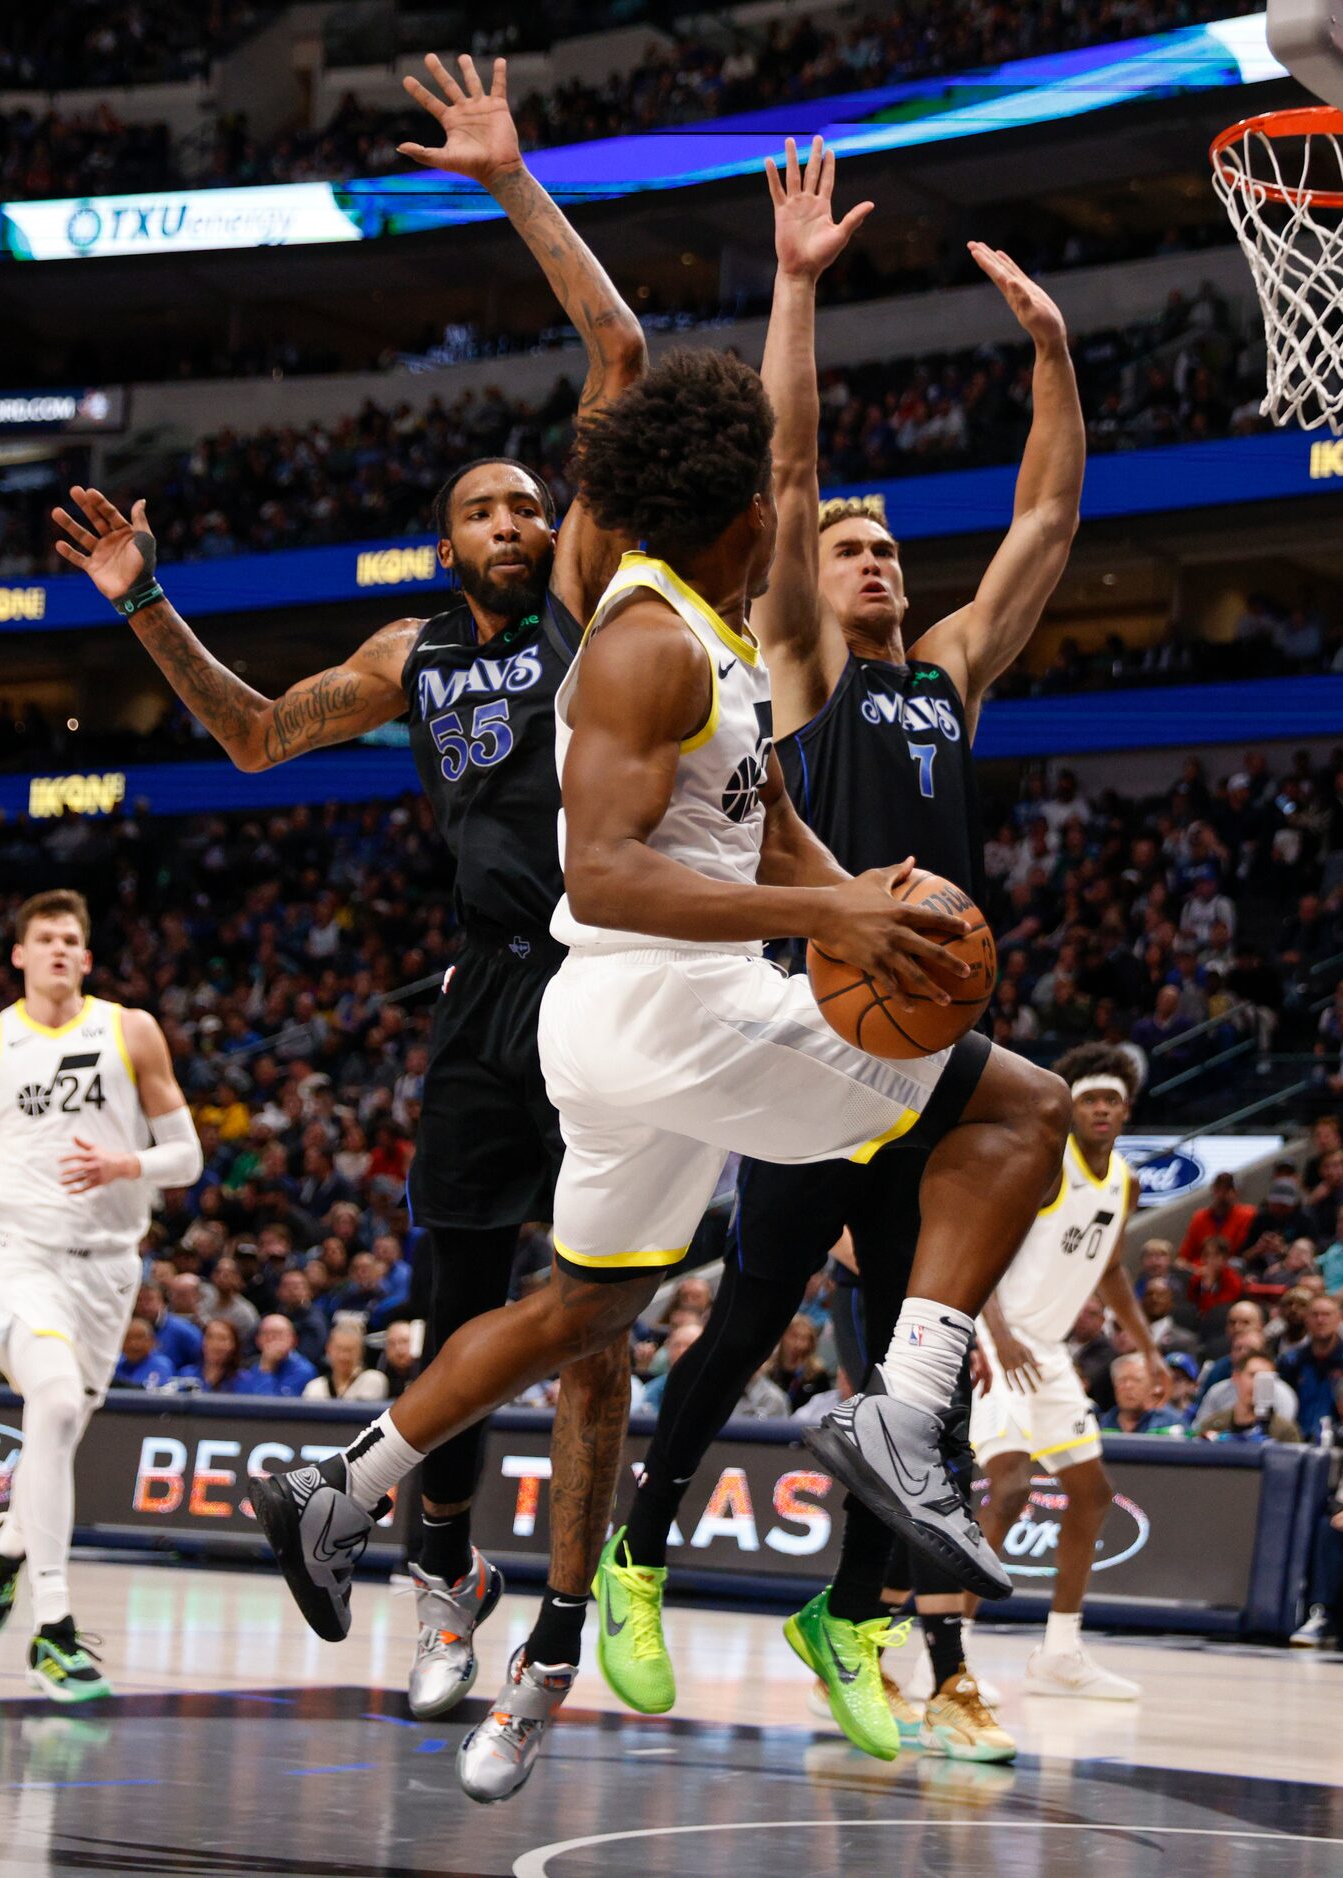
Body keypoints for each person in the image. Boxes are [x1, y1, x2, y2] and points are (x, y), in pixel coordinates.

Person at [246, 331, 1071, 1775]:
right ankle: (907, 1408)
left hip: (630, 1031)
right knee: (1022, 1109)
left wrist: (849, 889)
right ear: (745, 513)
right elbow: (610, 871)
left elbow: (752, 821)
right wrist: (827, 915)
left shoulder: (709, 633)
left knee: (579, 1306)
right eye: (772, 494)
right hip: (664, 1005)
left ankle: (339, 1486)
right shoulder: (647, 641)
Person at [53, 51, 643, 1790]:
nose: (517, 516)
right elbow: (247, 735)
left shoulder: (588, 595)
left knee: (592, 1317)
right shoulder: (409, 654)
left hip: (606, 982)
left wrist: (512, 180)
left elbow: (613, 358)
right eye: (485, 504)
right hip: (480, 1005)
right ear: (437, 537)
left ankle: (557, 1625)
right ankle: (443, 1581)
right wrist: (142, 599)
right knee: (462, 1320)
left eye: (529, 501)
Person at [588, 139, 1084, 1766]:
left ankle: (851, 1614)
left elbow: (1048, 515)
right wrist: (795, 287)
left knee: (911, 1384)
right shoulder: (795, 664)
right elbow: (790, 471)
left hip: (927, 1039)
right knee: (742, 1325)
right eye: (850, 547)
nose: (867, 558)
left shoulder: (943, 675)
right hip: (812, 1030)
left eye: (885, 549)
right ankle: (635, 1552)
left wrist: (1055, 353)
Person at [0, 888, 202, 1703]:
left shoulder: (130, 1029)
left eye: (71, 939)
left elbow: (190, 1157)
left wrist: (129, 1164)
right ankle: (53, 1631)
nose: (59, 950)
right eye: (44, 939)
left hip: (109, 1272)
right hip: (21, 1260)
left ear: (86, 959)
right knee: (54, 1406)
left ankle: (12, 1542)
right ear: (20, 956)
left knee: (58, 1434)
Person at [967, 1044, 1170, 1700]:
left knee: (1092, 1493)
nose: (1102, 1109)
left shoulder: (1125, 1183)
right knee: (1011, 1489)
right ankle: (952, 1656)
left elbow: (1109, 1270)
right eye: (1090, 1100)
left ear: (1126, 1109)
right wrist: (998, 1334)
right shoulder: (1045, 1165)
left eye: (1112, 1099)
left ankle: (1060, 1651)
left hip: (1047, 1349)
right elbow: (985, 1244)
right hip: (995, 1338)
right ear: (1072, 1107)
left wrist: (1147, 1349)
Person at [1194, 1351, 1303, 1443]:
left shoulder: (1285, 1431)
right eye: (1252, 1375)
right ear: (1236, 1377)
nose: (1258, 1384)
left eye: (1266, 1378)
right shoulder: (1213, 1424)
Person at [1277, 1294, 1343, 1439]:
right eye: (1315, 1315)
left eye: (1327, 1314)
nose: (1320, 1320)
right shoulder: (1291, 1361)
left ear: (1339, 1318)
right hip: (1296, 1439)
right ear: (1306, 1319)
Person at [1176, 1171, 1255, 1265]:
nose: (1223, 1194)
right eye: (1220, 1189)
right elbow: (1185, 1254)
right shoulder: (1200, 1218)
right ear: (1214, 1190)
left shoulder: (1247, 1215)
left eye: (1228, 1189)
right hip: (1200, 1269)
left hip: (1231, 1268)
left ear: (1236, 1192)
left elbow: (1242, 1251)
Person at [1098, 1353, 1185, 1435]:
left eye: (1137, 1380)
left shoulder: (1172, 1424)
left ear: (1153, 1386)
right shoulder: (1099, 1425)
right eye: (1122, 1380)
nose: (1128, 1386)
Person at [304, 1319, 389, 1403]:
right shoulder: (315, 1387)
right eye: (339, 1349)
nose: (344, 1356)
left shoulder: (373, 1380)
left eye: (350, 1350)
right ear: (329, 1349)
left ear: (361, 1352)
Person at [236, 1316, 318, 1398]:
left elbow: (272, 1408)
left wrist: (266, 1368)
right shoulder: (248, 1368)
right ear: (257, 1340)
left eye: (278, 1334)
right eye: (266, 1333)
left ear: (293, 1339)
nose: (272, 1339)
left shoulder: (304, 1370)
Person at [181, 1317, 245, 1394]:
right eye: (210, 1337)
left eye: (222, 1339)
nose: (215, 1344)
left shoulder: (243, 1381)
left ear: (233, 1345)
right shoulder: (186, 1374)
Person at [111, 1317, 176, 1391]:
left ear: (152, 1341)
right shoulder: (116, 1364)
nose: (134, 1344)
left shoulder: (160, 1364)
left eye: (140, 1338)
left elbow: (150, 1392)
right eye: (128, 1338)